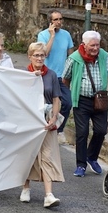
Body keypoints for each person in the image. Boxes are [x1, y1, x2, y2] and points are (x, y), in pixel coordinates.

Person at [61, 30, 108, 177]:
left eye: (97, 45)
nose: (95, 48)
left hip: (100, 99)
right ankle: (81, 165)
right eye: (92, 45)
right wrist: (67, 97)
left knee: (101, 130)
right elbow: (65, 79)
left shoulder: (105, 57)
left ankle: (91, 157)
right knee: (82, 132)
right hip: (81, 100)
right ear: (84, 45)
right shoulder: (74, 58)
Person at [20, 42, 65, 208]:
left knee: (47, 156)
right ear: (29, 56)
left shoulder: (51, 75)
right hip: (29, 121)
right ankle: (25, 187)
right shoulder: (24, 74)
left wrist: (54, 117)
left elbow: (55, 99)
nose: (39, 58)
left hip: (46, 122)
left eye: (42, 55)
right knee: (28, 155)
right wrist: (32, 78)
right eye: (36, 55)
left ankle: (48, 194)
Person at [38, 11, 75, 144]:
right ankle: (44, 128)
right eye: (55, 20)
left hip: (62, 76)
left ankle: (59, 129)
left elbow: (70, 55)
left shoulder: (66, 35)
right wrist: (52, 36)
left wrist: (69, 75)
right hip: (47, 75)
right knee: (47, 105)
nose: (58, 22)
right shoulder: (42, 35)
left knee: (67, 102)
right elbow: (44, 53)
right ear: (50, 21)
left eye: (60, 19)